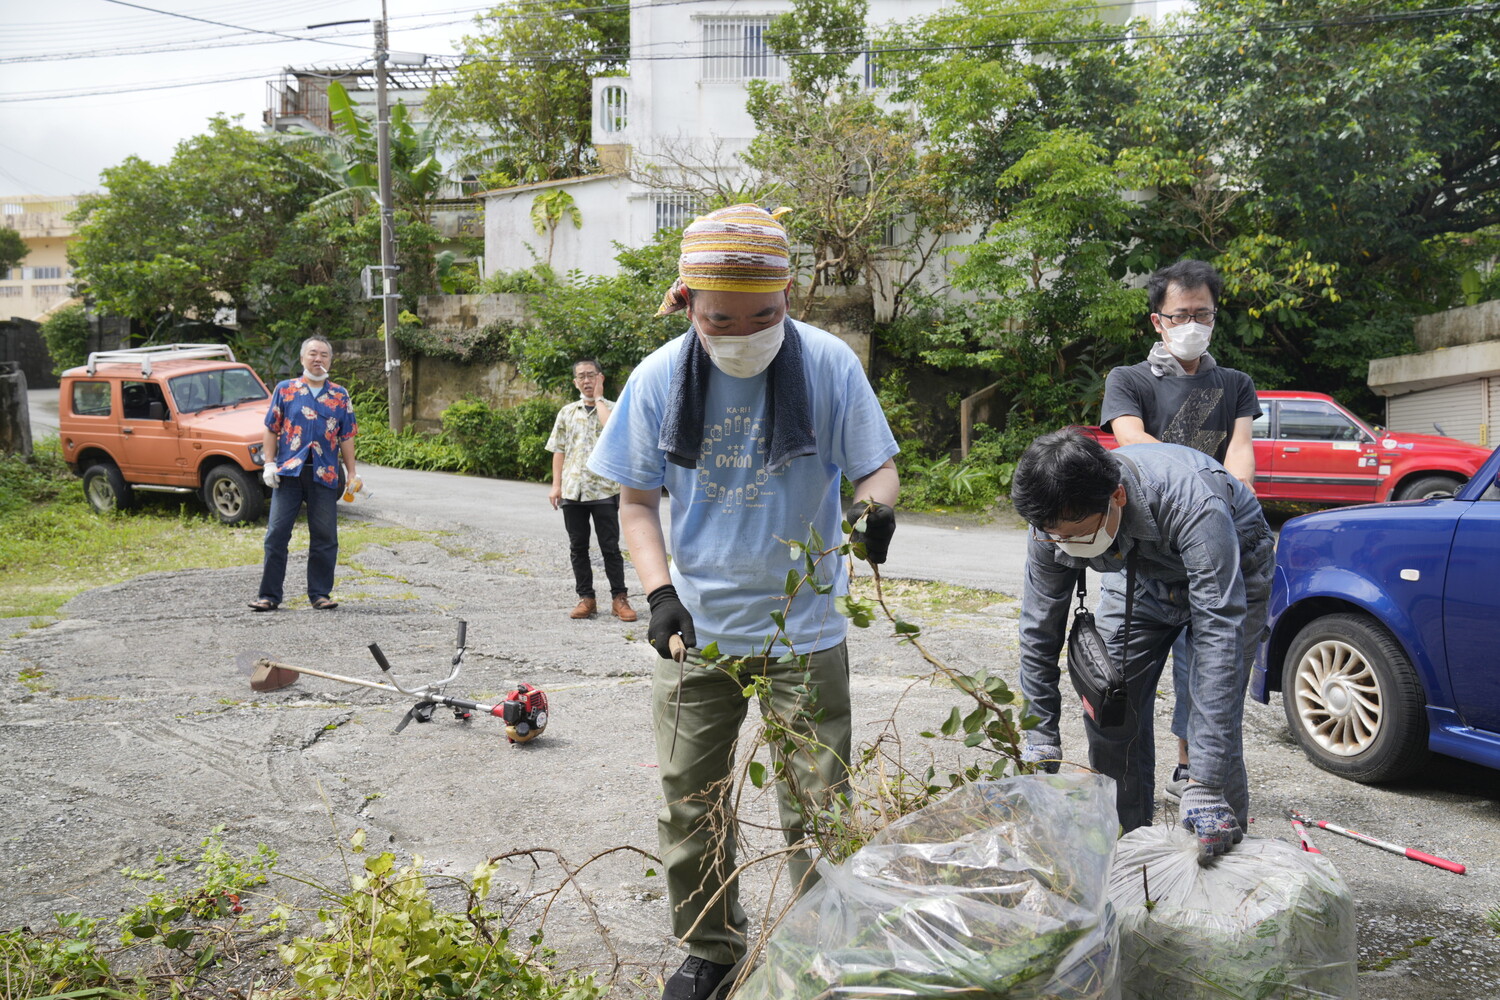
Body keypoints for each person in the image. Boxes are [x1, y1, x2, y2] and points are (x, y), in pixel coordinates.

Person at [588, 204, 899, 1000]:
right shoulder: (659, 379)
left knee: (819, 807)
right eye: (724, 317)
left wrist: (875, 511)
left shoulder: (828, 365)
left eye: (767, 313)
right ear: (686, 300)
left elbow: (876, 468)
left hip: (808, 629)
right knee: (690, 801)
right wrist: (658, 596)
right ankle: (712, 948)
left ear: (788, 292)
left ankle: (818, 946)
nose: (748, 331)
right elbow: (634, 503)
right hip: (696, 632)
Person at [1011, 430, 1273, 861]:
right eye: (1054, 537)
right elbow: (1040, 625)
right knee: (1110, 706)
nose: (1066, 549)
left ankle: (1224, 860)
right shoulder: (1052, 523)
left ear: (1116, 497)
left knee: (1213, 716)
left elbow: (1219, 636)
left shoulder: (1191, 503)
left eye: (1076, 536)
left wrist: (1203, 783)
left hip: (1233, 573)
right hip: (1138, 577)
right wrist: (1040, 729)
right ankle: (1128, 849)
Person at [1100, 259, 1261, 803]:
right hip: (1143, 543)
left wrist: (1230, 503)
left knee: (1212, 660)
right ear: (1157, 322)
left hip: (1211, 538)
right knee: (1120, 673)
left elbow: (1240, 450)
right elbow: (1129, 440)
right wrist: (1195, 482)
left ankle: (1192, 768)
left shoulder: (1235, 384)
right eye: (1181, 314)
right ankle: (1124, 787)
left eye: (1203, 313)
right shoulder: (1129, 380)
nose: (1193, 323)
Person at [248, 336, 357, 612]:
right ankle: (269, 596)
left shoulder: (339, 395)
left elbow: (347, 436)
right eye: (312, 354)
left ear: (330, 361)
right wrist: (269, 464)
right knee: (276, 535)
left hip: (325, 475)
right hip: (289, 475)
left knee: (325, 537)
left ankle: (320, 594)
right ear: (302, 358)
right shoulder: (285, 390)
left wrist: (353, 472)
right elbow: (271, 428)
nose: (318, 359)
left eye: (324, 355)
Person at [545, 358, 636, 621]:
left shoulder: (612, 409)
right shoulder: (567, 412)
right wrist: (556, 486)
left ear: (601, 378)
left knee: (610, 547)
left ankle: (619, 598)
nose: (586, 381)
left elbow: (613, 431)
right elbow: (558, 449)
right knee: (578, 547)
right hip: (573, 490)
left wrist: (598, 399)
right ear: (575, 382)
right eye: (581, 377)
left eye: (591, 375)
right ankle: (586, 598)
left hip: (604, 489)